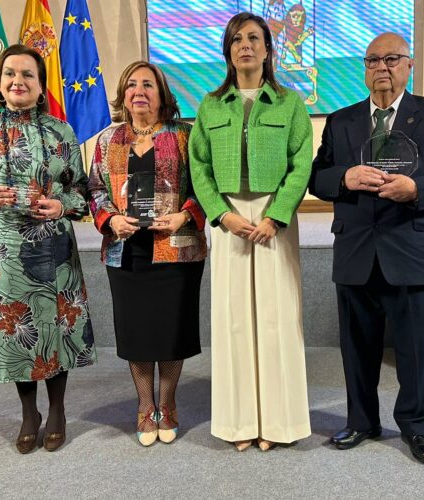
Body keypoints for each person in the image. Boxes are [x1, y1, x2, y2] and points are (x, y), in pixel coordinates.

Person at [309, 32, 424, 464]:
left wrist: (417, 187)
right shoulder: (342, 120)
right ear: (364, 69)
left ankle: (416, 428)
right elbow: (318, 178)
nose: (381, 68)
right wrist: (344, 178)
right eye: (372, 61)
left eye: (390, 59)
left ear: (409, 65)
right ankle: (362, 421)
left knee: (418, 351)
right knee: (357, 349)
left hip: (413, 251)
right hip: (356, 251)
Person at [0, 44, 96, 453]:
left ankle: (57, 411)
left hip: (54, 250)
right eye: (10, 74)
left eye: (28, 75)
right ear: (0, 84)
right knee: (16, 332)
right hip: (6, 252)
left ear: (40, 85)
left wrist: (61, 204)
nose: (18, 81)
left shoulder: (61, 132)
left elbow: (83, 191)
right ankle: (28, 412)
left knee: (55, 327)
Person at [189, 12, 312, 452]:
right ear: (227, 50)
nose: (246, 45)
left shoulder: (290, 103)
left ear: (267, 49)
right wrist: (222, 216)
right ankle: (239, 423)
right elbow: (198, 167)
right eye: (237, 39)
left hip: (273, 218)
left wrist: (275, 216)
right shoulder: (209, 105)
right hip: (229, 220)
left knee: (277, 319)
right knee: (234, 320)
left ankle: (278, 424)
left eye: (254, 38)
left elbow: (302, 165)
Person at [88, 61, 207, 447]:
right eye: (132, 85)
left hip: (175, 247)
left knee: (172, 331)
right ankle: (144, 406)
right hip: (125, 250)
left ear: (162, 94)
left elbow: (206, 186)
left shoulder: (186, 137)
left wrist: (184, 216)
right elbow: (94, 190)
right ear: (123, 95)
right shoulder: (108, 141)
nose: (139, 91)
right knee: (137, 333)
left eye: (148, 85)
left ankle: (168, 405)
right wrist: (109, 220)